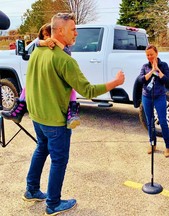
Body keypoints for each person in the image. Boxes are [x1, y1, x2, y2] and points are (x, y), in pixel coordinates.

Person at [22, 13, 124, 215]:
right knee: (59, 160)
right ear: (59, 31)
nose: (76, 33)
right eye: (73, 29)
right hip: (54, 121)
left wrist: (45, 42)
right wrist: (115, 83)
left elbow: (39, 45)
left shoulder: (37, 51)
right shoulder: (64, 60)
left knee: (42, 149)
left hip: (37, 116)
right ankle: (53, 204)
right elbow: (88, 91)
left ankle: (31, 190)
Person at [0, 23, 81, 129]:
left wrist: (54, 42)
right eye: (45, 36)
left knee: (70, 88)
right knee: (28, 86)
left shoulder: (62, 47)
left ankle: (72, 113)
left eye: (49, 35)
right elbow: (37, 42)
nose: (47, 38)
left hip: (59, 79)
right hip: (45, 78)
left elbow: (67, 53)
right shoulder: (41, 46)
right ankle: (19, 109)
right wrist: (44, 42)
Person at [138, 44, 169, 158]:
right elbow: (141, 80)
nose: (149, 57)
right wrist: (151, 71)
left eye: (151, 54)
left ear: (156, 53)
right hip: (147, 96)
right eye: (147, 55)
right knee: (150, 121)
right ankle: (152, 144)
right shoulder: (145, 66)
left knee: (162, 121)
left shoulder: (164, 65)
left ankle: (168, 146)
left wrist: (157, 70)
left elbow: (166, 80)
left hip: (159, 96)